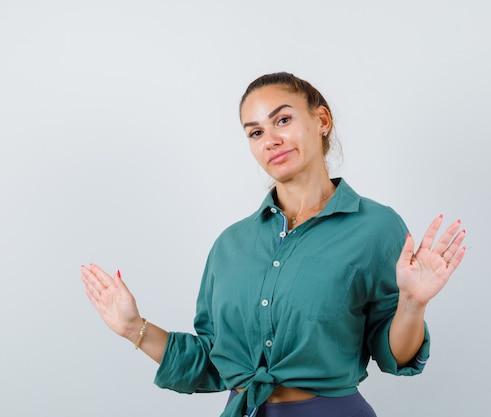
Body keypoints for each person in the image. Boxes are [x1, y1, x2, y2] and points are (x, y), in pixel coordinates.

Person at [81, 72, 467, 417]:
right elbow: (213, 362)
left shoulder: (376, 228)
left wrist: (413, 304)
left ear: (321, 121)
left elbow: (393, 354)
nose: (271, 140)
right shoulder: (231, 245)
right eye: (256, 132)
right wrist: (135, 328)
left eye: (283, 120)